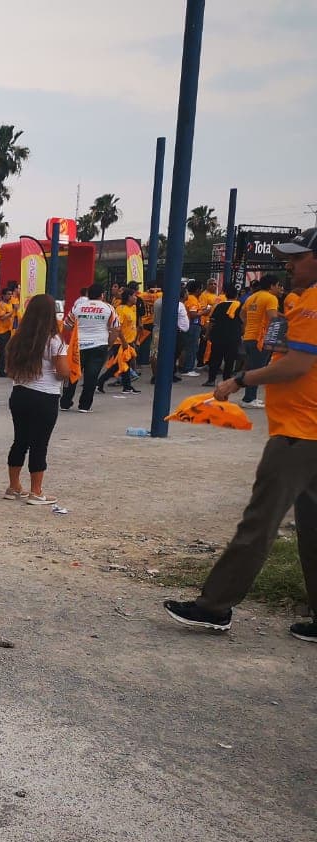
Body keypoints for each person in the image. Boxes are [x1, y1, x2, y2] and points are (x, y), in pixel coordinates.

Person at [165, 227, 317, 643]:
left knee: (259, 523)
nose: (288, 264)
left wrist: (240, 379)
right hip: (308, 430)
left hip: (300, 434)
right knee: (313, 527)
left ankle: (214, 607)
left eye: (297, 258)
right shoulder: (298, 301)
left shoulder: (311, 305)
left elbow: (296, 366)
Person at [3, 294, 70, 505]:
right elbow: (62, 372)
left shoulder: (18, 338)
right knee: (39, 443)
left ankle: (14, 487)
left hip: (20, 393)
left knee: (20, 441)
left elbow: (9, 370)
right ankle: (36, 491)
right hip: (45, 396)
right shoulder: (54, 340)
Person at [60, 284, 115, 413]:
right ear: (102, 295)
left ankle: (65, 402)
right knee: (91, 376)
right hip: (99, 346)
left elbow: (67, 325)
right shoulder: (108, 308)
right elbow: (116, 328)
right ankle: (84, 405)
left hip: (78, 346)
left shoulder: (78, 307)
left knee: (72, 373)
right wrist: (109, 344)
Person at [240, 274, 284, 408]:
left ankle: (249, 397)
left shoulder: (252, 297)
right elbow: (273, 318)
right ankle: (249, 399)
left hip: (248, 337)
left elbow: (241, 314)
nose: (279, 288)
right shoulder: (271, 298)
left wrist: (250, 325)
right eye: (278, 285)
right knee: (257, 369)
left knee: (252, 367)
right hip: (260, 339)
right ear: (271, 286)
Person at [203, 285, 243, 387]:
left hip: (218, 336)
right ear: (237, 295)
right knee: (229, 360)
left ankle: (211, 380)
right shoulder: (240, 306)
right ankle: (226, 381)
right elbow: (243, 322)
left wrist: (207, 334)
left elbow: (211, 322)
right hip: (233, 337)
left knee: (215, 358)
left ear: (225, 294)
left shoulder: (219, 306)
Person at [0, 287, 17, 377]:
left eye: (10, 294)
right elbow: (2, 317)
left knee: (6, 351)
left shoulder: (10, 304)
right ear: (3, 296)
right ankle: (0, 371)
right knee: (3, 351)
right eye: (8, 294)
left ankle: (4, 369)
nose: (10, 295)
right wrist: (12, 312)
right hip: (0, 331)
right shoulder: (1, 305)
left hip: (7, 330)